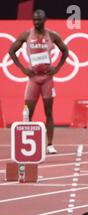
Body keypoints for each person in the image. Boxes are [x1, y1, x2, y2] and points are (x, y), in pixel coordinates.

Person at [9, 9, 69, 154]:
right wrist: (23, 69)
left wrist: (57, 68)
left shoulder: (52, 35)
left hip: (47, 79)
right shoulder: (26, 35)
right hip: (33, 79)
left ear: (45, 19)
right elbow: (11, 51)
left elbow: (65, 51)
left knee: (49, 112)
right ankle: (26, 142)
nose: (36, 22)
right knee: (28, 113)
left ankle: (49, 144)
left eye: (39, 20)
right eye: (34, 20)